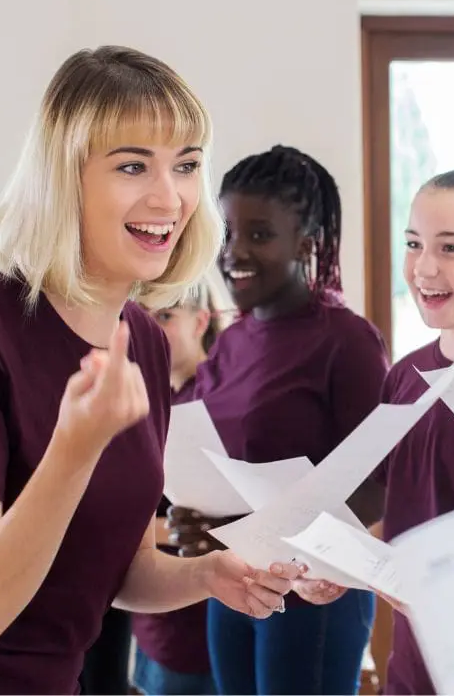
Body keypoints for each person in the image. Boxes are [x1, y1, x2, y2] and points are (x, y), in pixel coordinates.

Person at [0, 46, 298, 696]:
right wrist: (74, 449)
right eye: (132, 165)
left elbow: (110, 568)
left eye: (186, 165)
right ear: (63, 178)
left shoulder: (143, 341)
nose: (168, 196)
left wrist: (205, 574)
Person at [168, 145, 389, 695]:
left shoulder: (346, 340)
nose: (234, 251)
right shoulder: (232, 342)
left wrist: (314, 555)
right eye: (227, 233)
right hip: (233, 579)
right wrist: (198, 523)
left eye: (260, 234)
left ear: (306, 243)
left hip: (312, 591)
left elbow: (378, 481)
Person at [371, 162, 454, 695]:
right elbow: (401, 513)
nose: (423, 267)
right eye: (413, 242)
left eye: (450, 248)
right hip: (413, 672)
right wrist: (333, 565)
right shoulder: (405, 375)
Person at [131, 281, 221, 695]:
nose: (149, 329)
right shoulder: (145, 397)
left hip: (202, 614)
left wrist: (144, 530)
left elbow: (211, 521)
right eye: (141, 317)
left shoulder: (220, 402)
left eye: (166, 316)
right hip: (151, 613)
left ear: (201, 321)